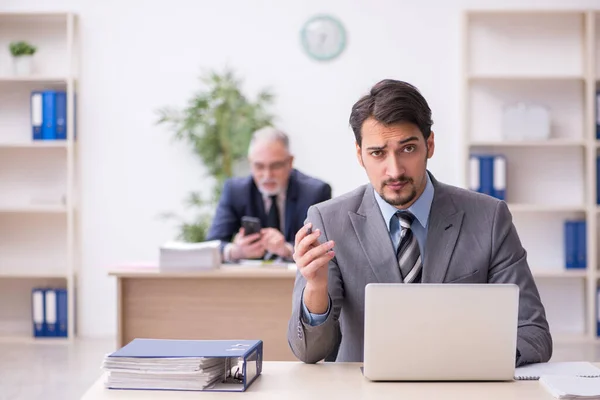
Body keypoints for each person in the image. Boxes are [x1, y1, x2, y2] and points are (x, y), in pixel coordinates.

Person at [287, 79, 552, 367]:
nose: (395, 169)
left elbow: (533, 333)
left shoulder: (489, 217)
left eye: (408, 149)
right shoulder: (327, 221)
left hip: (460, 387)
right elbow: (310, 352)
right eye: (378, 153)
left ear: (430, 145)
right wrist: (315, 288)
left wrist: (474, 359)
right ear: (360, 155)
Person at [206, 126, 332, 262]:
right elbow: (212, 246)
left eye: (275, 166)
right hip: (250, 280)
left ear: (290, 162)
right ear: (250, 163)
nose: (267, 175)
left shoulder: (315, 192)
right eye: (259, 166)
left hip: (297, 279)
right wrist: (235, 251)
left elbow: (324, 247)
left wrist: (288, 249)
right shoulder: (235, 191)